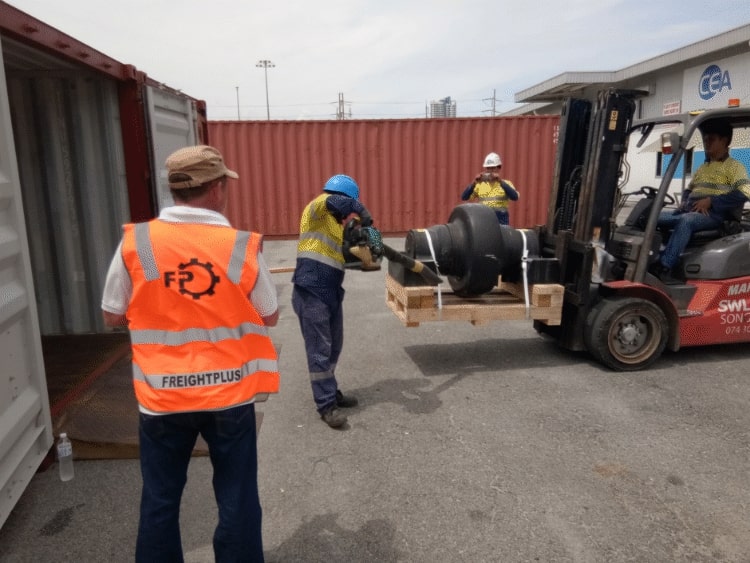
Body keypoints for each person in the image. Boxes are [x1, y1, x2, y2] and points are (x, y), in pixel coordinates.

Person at [101, 145, 280, 562]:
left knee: (161, 500)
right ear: (216, 189)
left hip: (162, 398)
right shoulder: (239, 245)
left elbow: (112, 314)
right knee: (237, 497)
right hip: (229, 396)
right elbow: (269, 315)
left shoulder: (139, 241)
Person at [292, 174, 375, 429]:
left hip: (330, 291)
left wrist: (368, 248)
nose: (348, 214)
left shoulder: (335, 227)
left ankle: (330, 389)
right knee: (320, 348)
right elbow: (340, 204)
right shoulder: (318, 207)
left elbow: (343, 256)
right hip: (311, 290)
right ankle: (326, 405)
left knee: (334, 345)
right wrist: (364, 214)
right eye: (349, 205)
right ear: (342, 198)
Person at [656, 118, 750, 283]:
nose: (707, 143)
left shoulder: (735, 167)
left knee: (686, 221)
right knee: (651, 217)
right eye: (705, 139)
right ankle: (651, 258)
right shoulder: (703, 167)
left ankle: (665, 266)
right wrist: (685, 201)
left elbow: (745, 193)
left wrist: (712, 201)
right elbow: (689, 189)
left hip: (715, 216)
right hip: (691, 210)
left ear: (724, 141)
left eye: (711, 139)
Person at [460, 151, 519, 225]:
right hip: (484, 219)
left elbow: (515, 197)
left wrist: (500, 181)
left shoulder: (506, 184)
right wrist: (474, 183)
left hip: (501, 220)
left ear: (499, 168)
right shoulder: (479, 185)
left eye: (493, 168)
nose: (490, 171)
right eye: (488, 168)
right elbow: (464, 197)